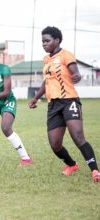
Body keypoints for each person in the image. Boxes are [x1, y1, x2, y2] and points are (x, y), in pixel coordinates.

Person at [29, 26, 100, 182]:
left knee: (78, 137)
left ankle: (95, 171)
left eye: (47, 41)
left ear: (57, 40)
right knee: (55, 144)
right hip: (53, 105)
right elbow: (47, 81)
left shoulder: (66, 55)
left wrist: (77, 76)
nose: (44, 44)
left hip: (69, 100)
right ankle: (72, 164)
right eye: (42, 41)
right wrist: (36, 97)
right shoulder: (46, 59)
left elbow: (75, 72)